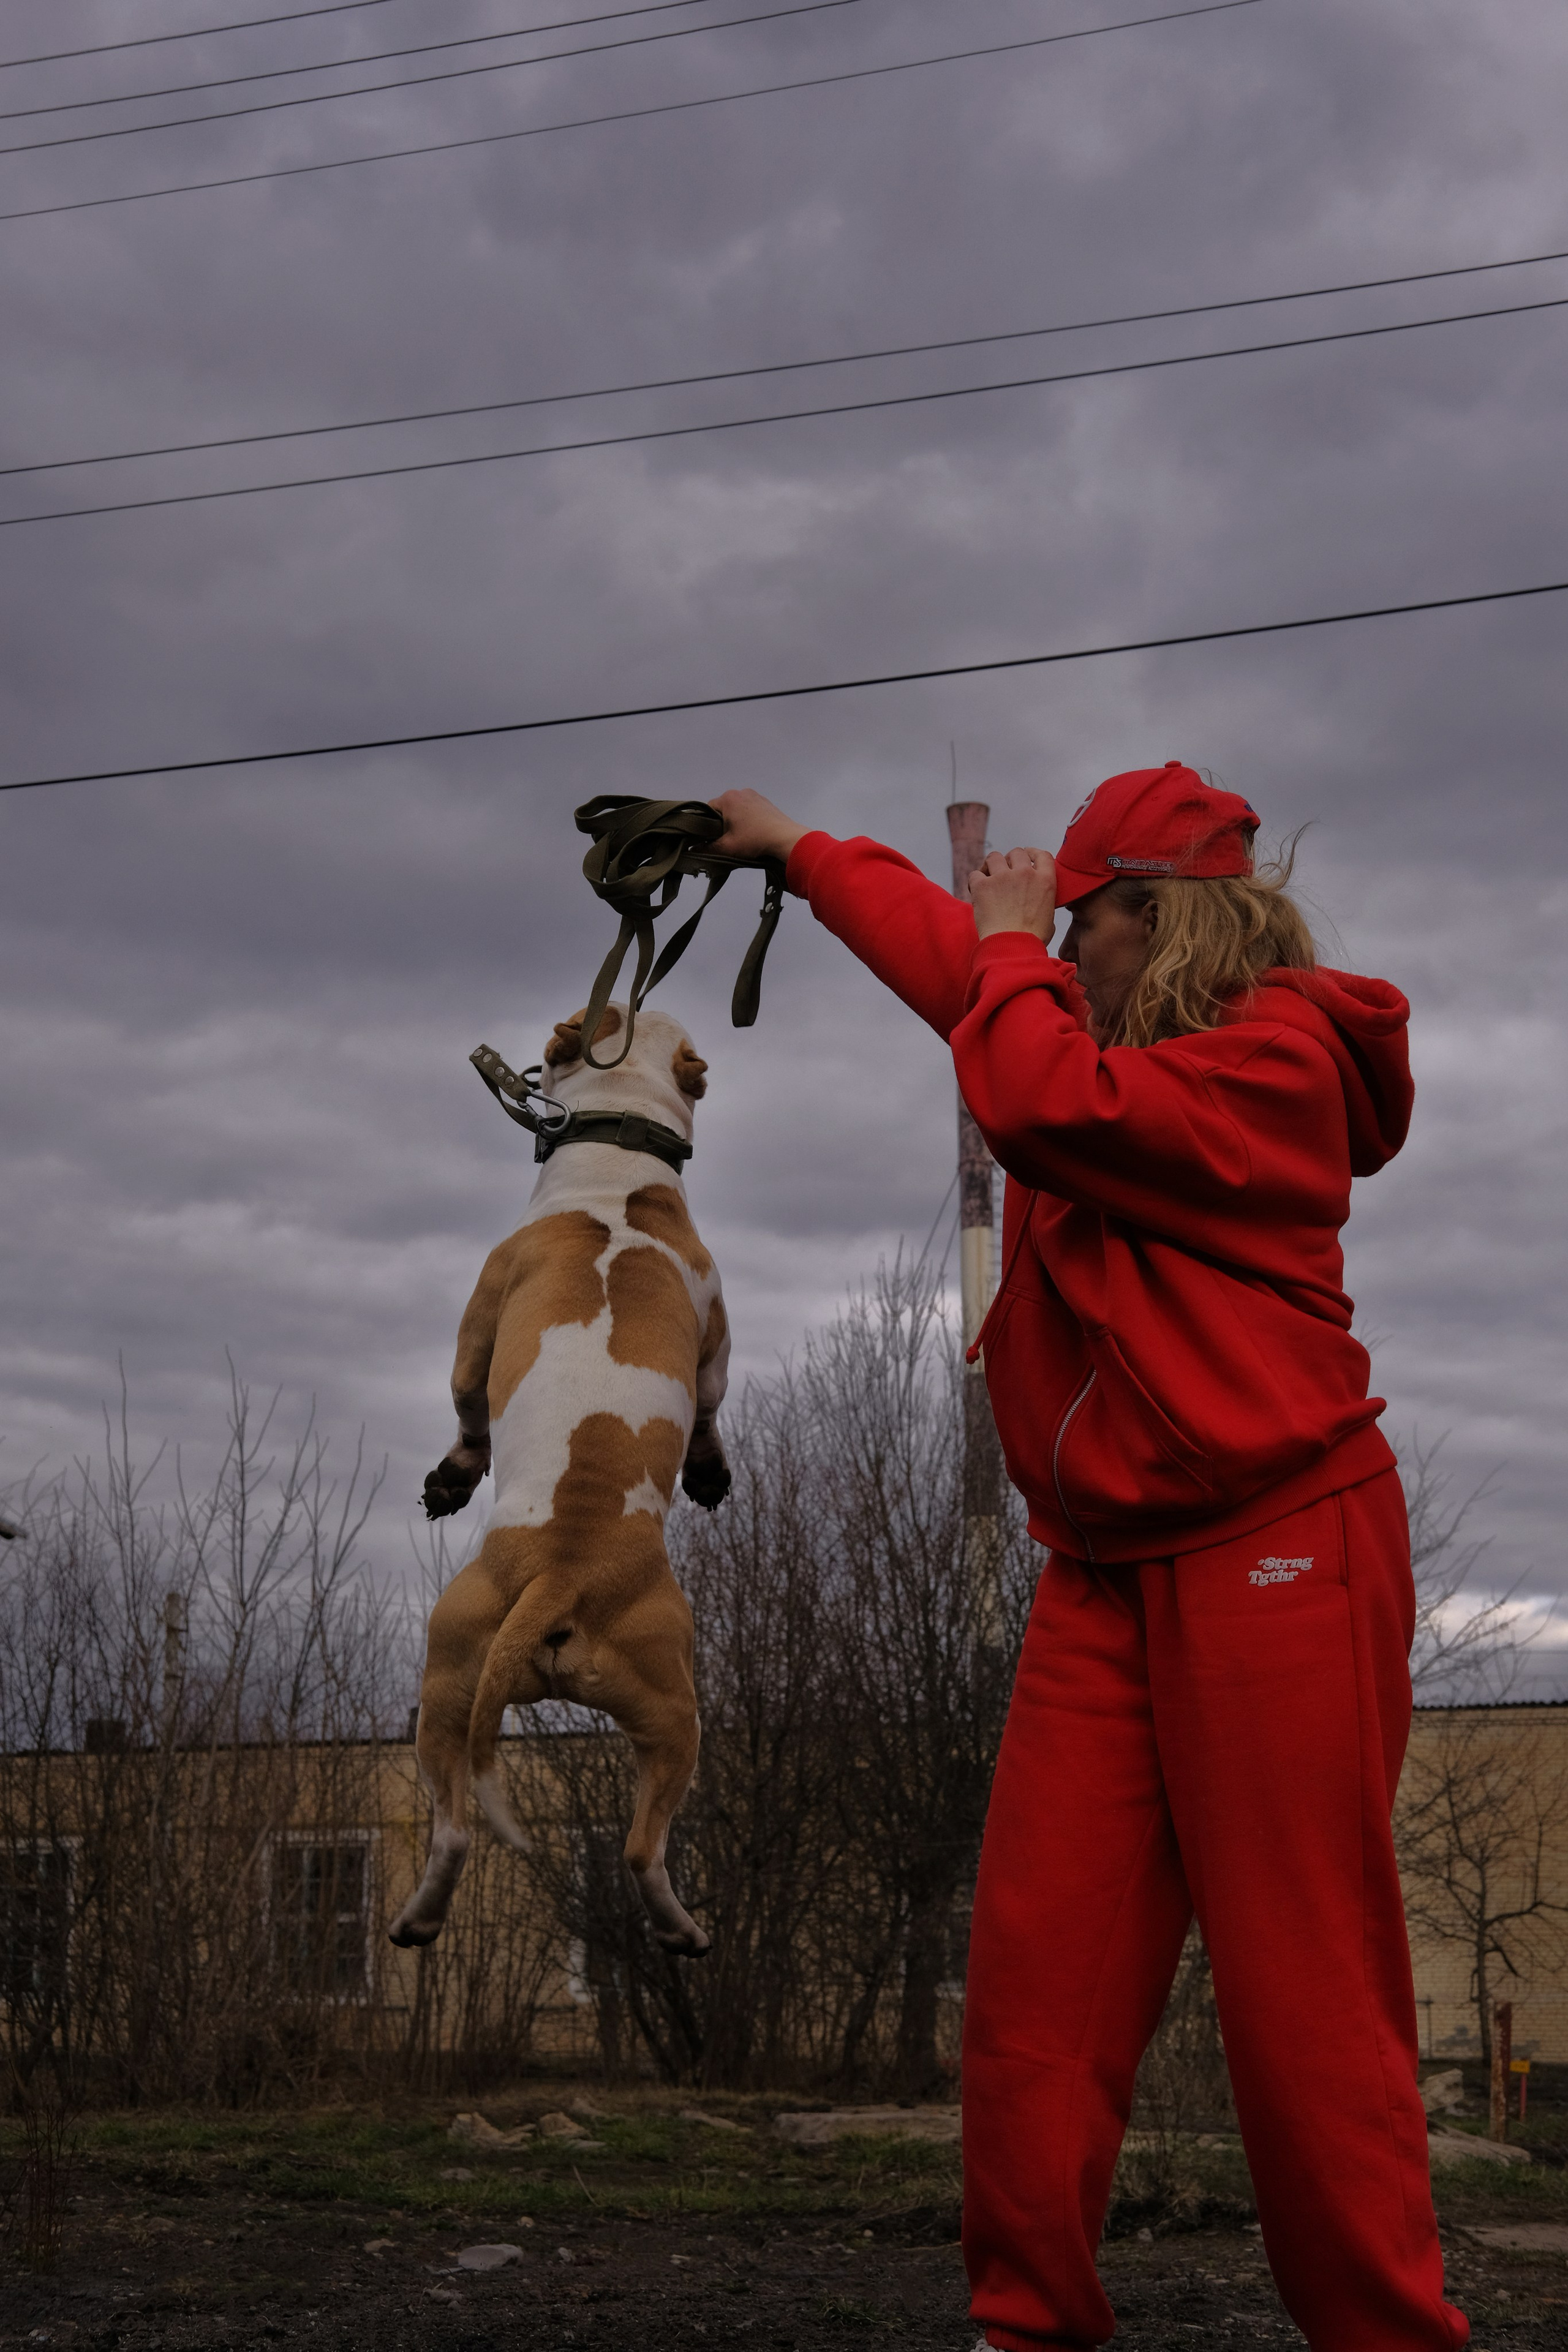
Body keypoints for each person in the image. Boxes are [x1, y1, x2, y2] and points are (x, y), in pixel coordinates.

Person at [709, 765, 1466, 2352]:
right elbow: (962, 965)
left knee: (1302, 2008)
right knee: (1037, 1993)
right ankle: (1030, 2328)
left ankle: (1390, 2338)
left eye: (1079, 925)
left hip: (1283, 1548)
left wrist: (1001, 954)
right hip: (1107, 1572)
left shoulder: (1277, 1064)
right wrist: (798, 850)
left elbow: (1038, 1102)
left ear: (1152, 916)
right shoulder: (1080, 1023)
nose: (1057, 948)